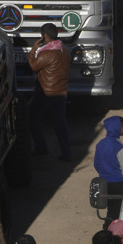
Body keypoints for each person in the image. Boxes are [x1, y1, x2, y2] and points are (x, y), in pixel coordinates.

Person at [27, 23, 71, 161]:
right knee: (60, 123)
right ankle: (66, 153)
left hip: (46, 92)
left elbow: (33, 66)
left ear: (44, 36)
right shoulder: (63, 49)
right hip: (61, 91)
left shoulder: (47, 53)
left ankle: (41, 147)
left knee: (31, 115)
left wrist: (33, 50)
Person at [93, 116, 123, 219]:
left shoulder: (100, 144)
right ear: (116, 127)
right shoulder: (119, 146)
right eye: (122, 126)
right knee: (120, 212)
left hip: (104, 183)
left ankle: (109, 228)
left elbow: (96, 164)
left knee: (111, 210)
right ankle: (112, 231)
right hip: (119, 185)